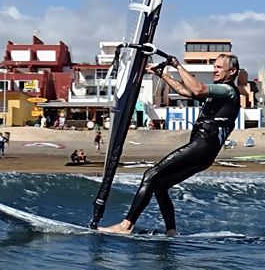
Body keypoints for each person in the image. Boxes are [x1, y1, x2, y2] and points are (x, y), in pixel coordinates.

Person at [99, 54, 241, 236]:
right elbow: (185, 91)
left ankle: (126, 225)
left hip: (203, 145)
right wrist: (162, 74)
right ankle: (171, 232)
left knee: (150, 175)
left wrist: (178, 66)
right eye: (214, 66)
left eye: (219, 67)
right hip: (205, 153)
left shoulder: (228, 90)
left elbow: (198, 89)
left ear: (232, 71)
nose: (214, 70)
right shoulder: (217, 94)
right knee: (160, 185)